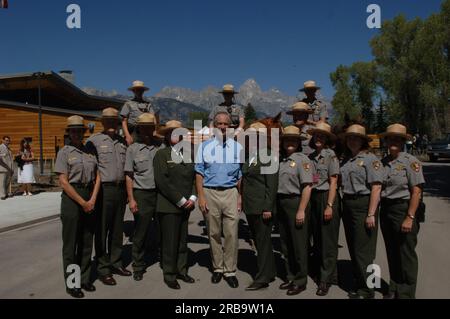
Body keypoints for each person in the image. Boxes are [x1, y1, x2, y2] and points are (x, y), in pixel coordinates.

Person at [55, 116, 101, 298]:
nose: (76, 133)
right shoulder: (64, 152)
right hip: (72, 199)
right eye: (73, 130)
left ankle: (85, 278)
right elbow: (63, 182)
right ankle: (72, 283)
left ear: (83, 133)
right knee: (71, 244)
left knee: (86, 242)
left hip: (90, 194)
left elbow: (98, 176)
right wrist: (83, 203)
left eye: (79, 131)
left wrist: (93, 199)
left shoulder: (90, 151)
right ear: (69, 132)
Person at [195, 112, 243, 288]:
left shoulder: (238, 148)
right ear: (214, 126)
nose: (222, 127)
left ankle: (229, 270)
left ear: (230, 127)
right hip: (210, 192)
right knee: (213, 232)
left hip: (231, 192)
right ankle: (217, 268)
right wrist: (201, 197)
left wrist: (240, 197)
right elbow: (199, 173)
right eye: (219, 124)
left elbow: (241, 176)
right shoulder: (204, 147)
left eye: (226, 124)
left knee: (231, 233)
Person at [86, 108, 131, 286]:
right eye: (109, 121)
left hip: (120, 190)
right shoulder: (94, 141)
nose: (112, 124)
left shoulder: (122, 142)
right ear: (103, 123)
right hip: (103, 190)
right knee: (102, 230)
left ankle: (116, 262)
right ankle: (103, 268)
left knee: (117, 230)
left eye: (115, 121)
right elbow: (90, 168)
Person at [380, 124, 425, 299]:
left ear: (403, 141)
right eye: (390, 138)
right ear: (386, 141)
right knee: (392, 251)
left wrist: (410, 217)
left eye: (397, 139)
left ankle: (406, 293)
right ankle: (394, 286)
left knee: (406, 254)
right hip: (386, 210)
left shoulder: (411, 162)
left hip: (403, 208)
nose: (393, 141)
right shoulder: (383, 163)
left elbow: (417, 192)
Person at [340, 124, 384, 299]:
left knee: (363, 250)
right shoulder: (346, 160)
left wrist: (371, 213)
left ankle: (367, 290)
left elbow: (376, 187)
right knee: (353, 246)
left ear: (362, 141)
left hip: (363, 204)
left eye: (356, 138)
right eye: (349, 138)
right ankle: (361, 283)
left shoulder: (370, 159)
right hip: (348, 204)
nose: (352, 141)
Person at [154, 120, 197, 289]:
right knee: (170, 242)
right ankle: (170, 274)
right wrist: (180, 200)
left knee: (182, 241)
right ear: (167, 136)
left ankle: (182, 270)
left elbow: (194, 177)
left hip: (187, 205)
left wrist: (192, 198)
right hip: (169, 206)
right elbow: (162, 182)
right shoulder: (162, 154)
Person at [277, 125, 313, 296]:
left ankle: (300, 280)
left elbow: (307, 187)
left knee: (298, 244)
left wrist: (301, 210)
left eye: (293, 140)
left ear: (299, 143)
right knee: (286, 243)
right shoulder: (281, 160)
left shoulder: (303, 160)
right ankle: (290, 275)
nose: (289, 142)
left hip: (295, 202)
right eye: (287, 140)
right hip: (281, 203)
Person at [241, 122, 278, 291]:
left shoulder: (268, 155)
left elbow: (271, 185)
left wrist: (268, 207)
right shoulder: (251, 156)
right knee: (260, 241)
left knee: (262, 243)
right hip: (251, 206)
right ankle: (269, 272)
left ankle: (262, 277)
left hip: (262, 207)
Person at [124, 113, 160, 281]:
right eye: (143, 127)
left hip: (160, 194)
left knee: (161, 229)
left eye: (150, 127)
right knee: (141, 231)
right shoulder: (132, 149)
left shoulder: (160, 147)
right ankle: (138, 265)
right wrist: (131, 199)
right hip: (142, 193)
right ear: (139, 128)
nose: (147, 130)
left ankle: (162, 258)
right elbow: (129, 175)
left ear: (154, 128)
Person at [307, 122, 340, 296]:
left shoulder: (330, 156)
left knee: (327, 240)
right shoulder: (311, 156)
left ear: (327, 139)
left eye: (322, 136)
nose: (318, 138)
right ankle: (327, 272)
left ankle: (325, 279)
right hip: (313, 197)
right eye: (316, 136)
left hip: (327, 196)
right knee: (318, 238)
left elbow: (333, 181)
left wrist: (329, 205)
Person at [120, 80, 159, 146]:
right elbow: (124, 121)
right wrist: (127, 136)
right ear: (133, 91)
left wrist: (155, 131)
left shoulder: (148, 104)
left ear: (143, 91)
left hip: (147, 131)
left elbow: (153, 118)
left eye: (141, 90)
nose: (139, 92)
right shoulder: (128, 104)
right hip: (133, 131)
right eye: (137, 90)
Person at [0, 136, 14, 200]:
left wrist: (12, 168)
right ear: (2, 140)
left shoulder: (9, 148)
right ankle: (2, 195)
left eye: (8, 140)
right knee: (2, 182)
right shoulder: (1, 147)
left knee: (7, 182)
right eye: (6, 140)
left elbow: (10, 159)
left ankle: (6, 193)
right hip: (3, 168)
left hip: (9, 168)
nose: (7, 142)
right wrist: (2, 155)